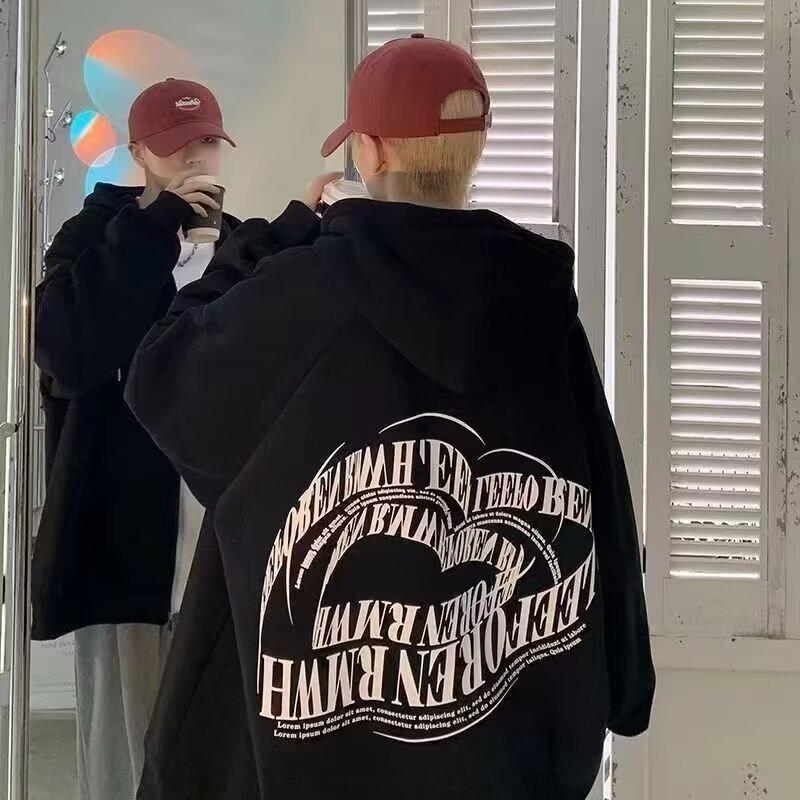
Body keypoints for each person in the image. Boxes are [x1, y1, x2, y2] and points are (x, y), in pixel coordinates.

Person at [126, 36, 655, 800]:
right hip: (508, 746)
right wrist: (625, 683)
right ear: (474, 151)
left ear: (368, 152)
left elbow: (160, 377)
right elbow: (601, 490)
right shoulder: (535, 298)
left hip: (329, 755)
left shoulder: (302, 290)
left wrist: (277, 233)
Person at [33, 78, 239, 800]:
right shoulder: (95, 237)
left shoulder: (240, 246)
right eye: (177, 145)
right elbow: (67, 353)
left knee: (217, 752)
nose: (195, 158)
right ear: (140, 152)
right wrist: (155, 227)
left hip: (222, 548)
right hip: (122, 545)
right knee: (124, 758)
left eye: (207, 141)